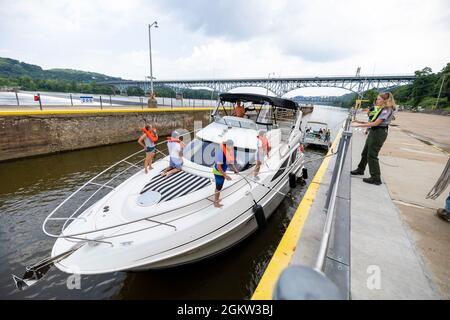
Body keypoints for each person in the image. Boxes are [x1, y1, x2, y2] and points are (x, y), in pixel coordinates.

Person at [350, 92, 396, 185]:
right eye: (377, 99)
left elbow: (376, 123)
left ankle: (376, 178)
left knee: (372, 155)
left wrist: (358, 125)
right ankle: (360, 169)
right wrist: (359, 121)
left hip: (379, 132)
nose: (376, 101)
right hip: (374, 131)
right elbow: (373, 120)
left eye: (379, 99)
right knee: (365, 152)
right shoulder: (381, 109)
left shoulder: (386, 110)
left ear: (385, 100)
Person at [212, 139, 239, 208]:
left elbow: (230, 162)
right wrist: (225, 175)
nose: (231, 147)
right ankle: (216, 203)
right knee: (219, 187)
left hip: (222, 172)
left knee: (219, 187)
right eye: (230, 146)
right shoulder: (221, 153)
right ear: (226, 145)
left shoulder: (228, 151)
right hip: (218, 172)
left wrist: (235, 170)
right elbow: (218, 166)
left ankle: (216, 199)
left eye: (232, 146)